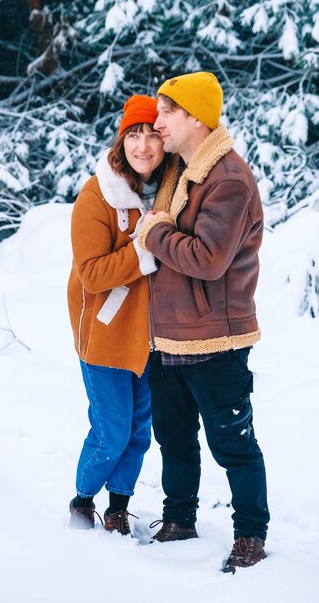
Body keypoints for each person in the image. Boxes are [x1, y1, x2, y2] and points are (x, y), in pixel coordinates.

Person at [137, 72, 270, 572]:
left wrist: (154, 234)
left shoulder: (228, 178)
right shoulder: (179, 168)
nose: (158, 121)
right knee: (173, 439)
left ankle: (252, 534)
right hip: (167, 334)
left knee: (233, 445)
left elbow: (209, 258)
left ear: (195, 117)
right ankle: (179, 518)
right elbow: (134, 155)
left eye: (167, 112)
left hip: (217, 337)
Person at [67, 95, 168, 535]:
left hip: (148, 337)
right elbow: (91, 274)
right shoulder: (98, 194)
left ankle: (118, 508)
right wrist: (143, 245)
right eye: (134, 135)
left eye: (152, 135)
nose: (143, 146)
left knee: (139, 431)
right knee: (110, 431)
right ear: (121, 139)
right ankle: (82, 500)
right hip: (105, 335)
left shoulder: (168, 191)